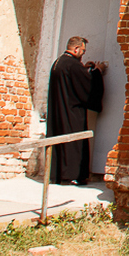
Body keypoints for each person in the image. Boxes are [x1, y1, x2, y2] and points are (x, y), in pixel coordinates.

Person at [47, 36, 106, 184]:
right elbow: (87, 85)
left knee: (60, 142)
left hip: (59, 111)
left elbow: (74, 80)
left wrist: (85, 69)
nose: (83, 54)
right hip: (72, 113)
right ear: (76, 49)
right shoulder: (73, 65)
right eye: (83, 51)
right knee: (74, 142)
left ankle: (59, 175)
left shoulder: (58, 63)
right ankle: (72, 175)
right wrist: (97, 72)